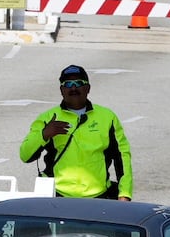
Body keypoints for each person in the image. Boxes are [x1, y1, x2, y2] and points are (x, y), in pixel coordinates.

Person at [18, 63, 134, 199]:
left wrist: (124, 194)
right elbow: (25, 155)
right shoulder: (47, 118)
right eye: (67, 84)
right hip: (57, 197)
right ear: (61, 90)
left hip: (98, 197)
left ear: (88, 88)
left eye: (78, 83)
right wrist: (44, 134)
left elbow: (122, 158)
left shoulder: (107, 117)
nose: (73, 88)